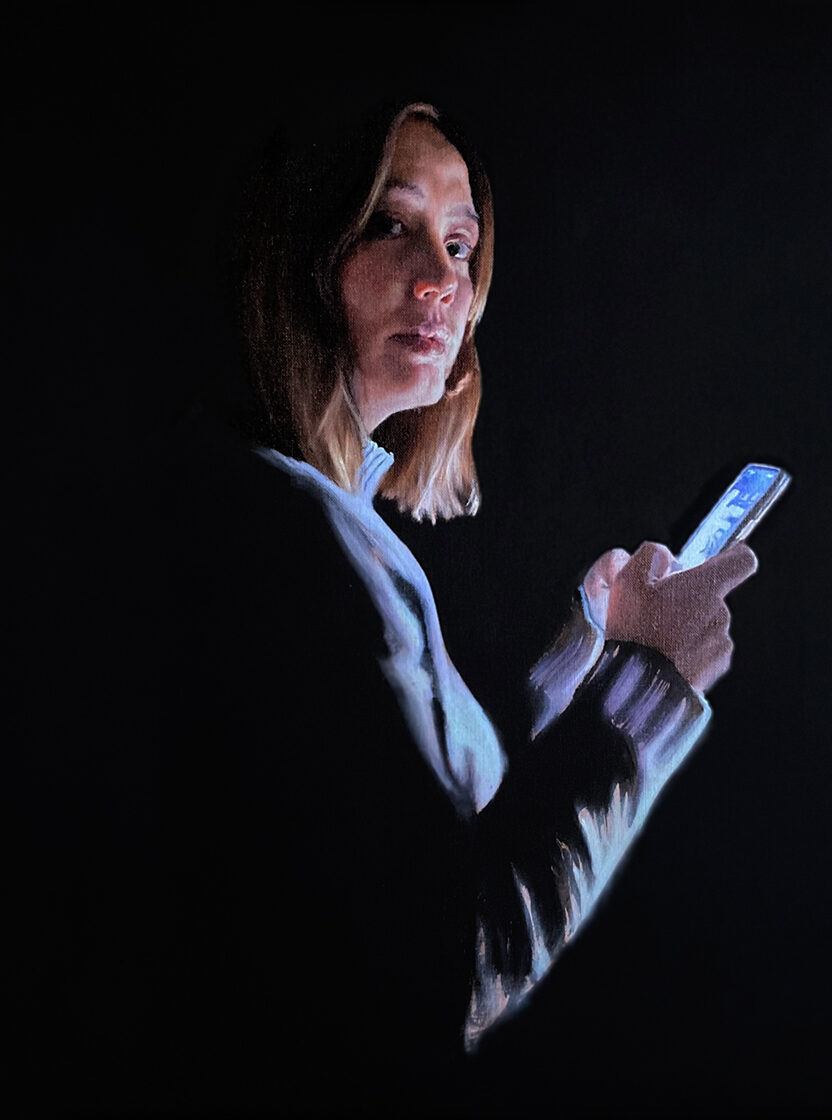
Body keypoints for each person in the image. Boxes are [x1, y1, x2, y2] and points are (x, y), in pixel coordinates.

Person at [16, 101, 758, 1117]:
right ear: (299, 255)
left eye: (459, 243)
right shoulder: (295, 540)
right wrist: (648, 688)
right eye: (389, 224)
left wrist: (581, 658)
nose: (440, 279)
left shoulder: (295, 510)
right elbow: (452, 962)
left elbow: (422, 807)